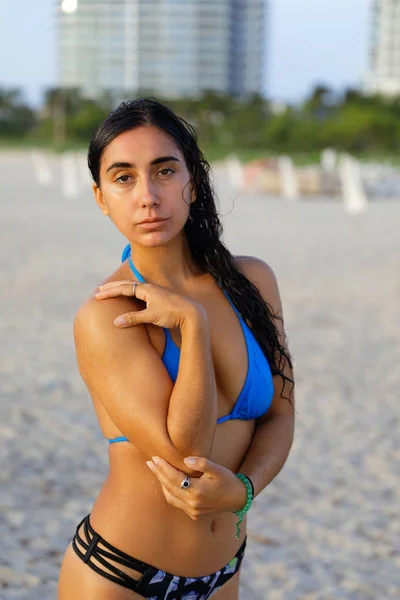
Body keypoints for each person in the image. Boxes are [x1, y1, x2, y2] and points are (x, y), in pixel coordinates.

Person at [57, 98, 295, 600]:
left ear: (194, 180)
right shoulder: (106, 316)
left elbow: (280, 414)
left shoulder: (252, 282)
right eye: (124, 178)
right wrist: (193, 325)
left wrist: (245, 490)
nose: (148, 195)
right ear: (102, 198)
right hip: (124, 576)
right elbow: (187, 454)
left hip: (223, 571)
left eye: (164, 170)